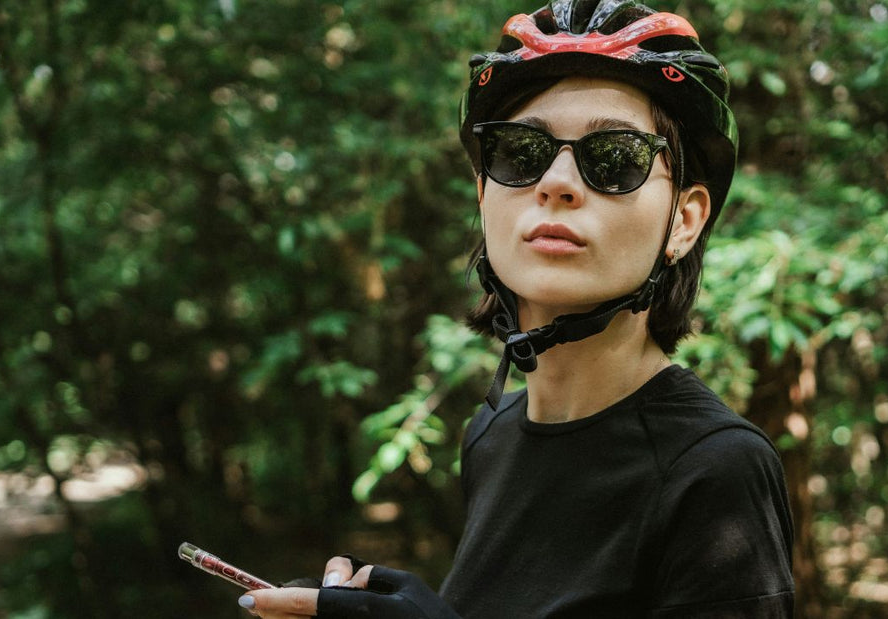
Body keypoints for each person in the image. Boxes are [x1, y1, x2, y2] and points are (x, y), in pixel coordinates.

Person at [238, 1, 794, 616]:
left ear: (684, 221)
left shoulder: (717, 468)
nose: (556, 181)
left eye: (615, 157)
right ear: (483, 195)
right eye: (520, 152)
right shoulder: (489, 435)